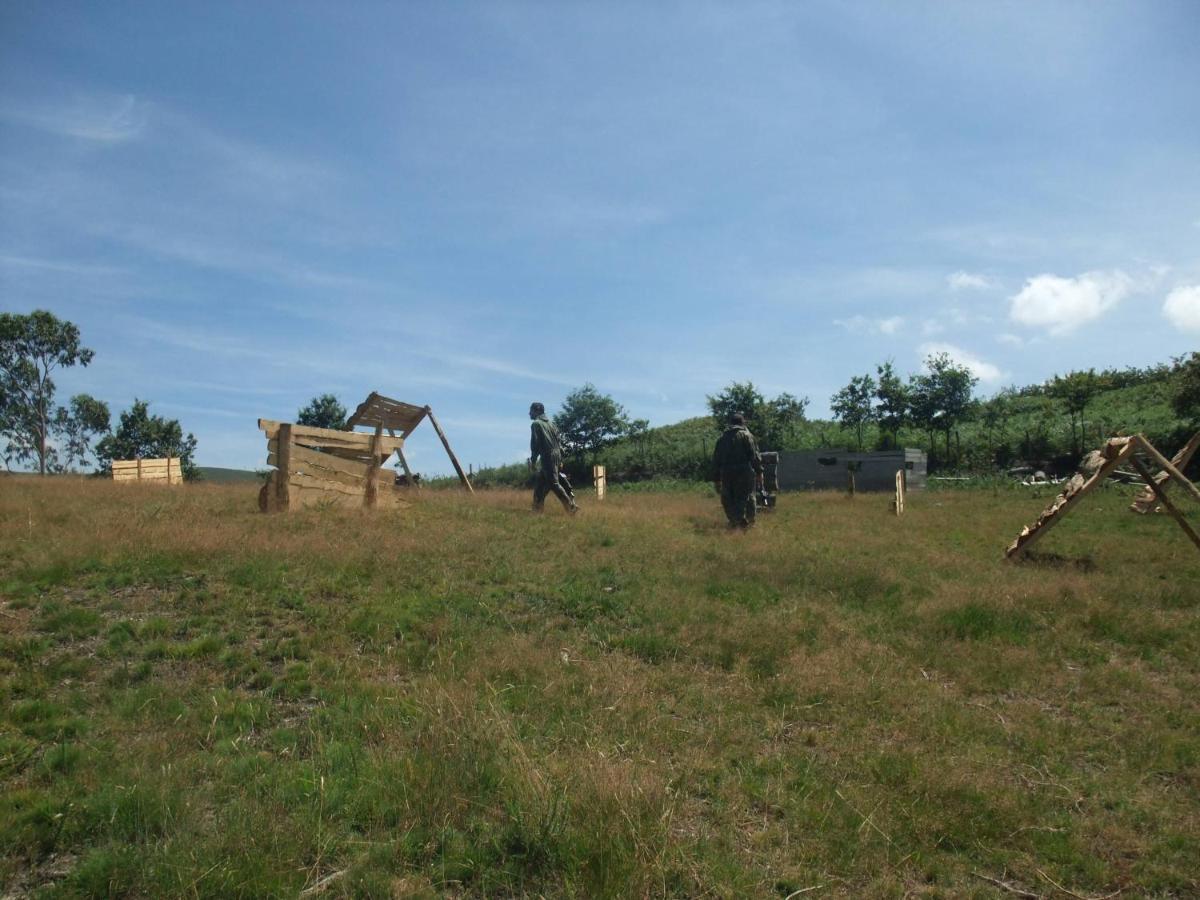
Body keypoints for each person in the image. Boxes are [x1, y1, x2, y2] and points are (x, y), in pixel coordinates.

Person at [712, 412, 763, 529]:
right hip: (744, 471)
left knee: (728, 497)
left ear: (730, 424)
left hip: (726, 472)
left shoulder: (722, 439)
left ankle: (734, 521)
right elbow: (754, 456)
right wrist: (759, 472)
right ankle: (748, 521)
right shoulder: (747, 436)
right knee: (748, 496)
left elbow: (716, 460)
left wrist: (716, 478)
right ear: (743, 422)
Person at [528, 402, 578, 514]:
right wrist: (560, 459)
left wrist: (533, 460)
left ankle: (571, 507)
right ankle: (537, 509)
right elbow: (559, 441)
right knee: (540, 484)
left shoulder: (536, 424)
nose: (529, 413)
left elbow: (535, 444)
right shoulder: (552, 424)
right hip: (556, 454)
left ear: (536, 411)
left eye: (530, 411)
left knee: (554, 483)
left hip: (547, 455)